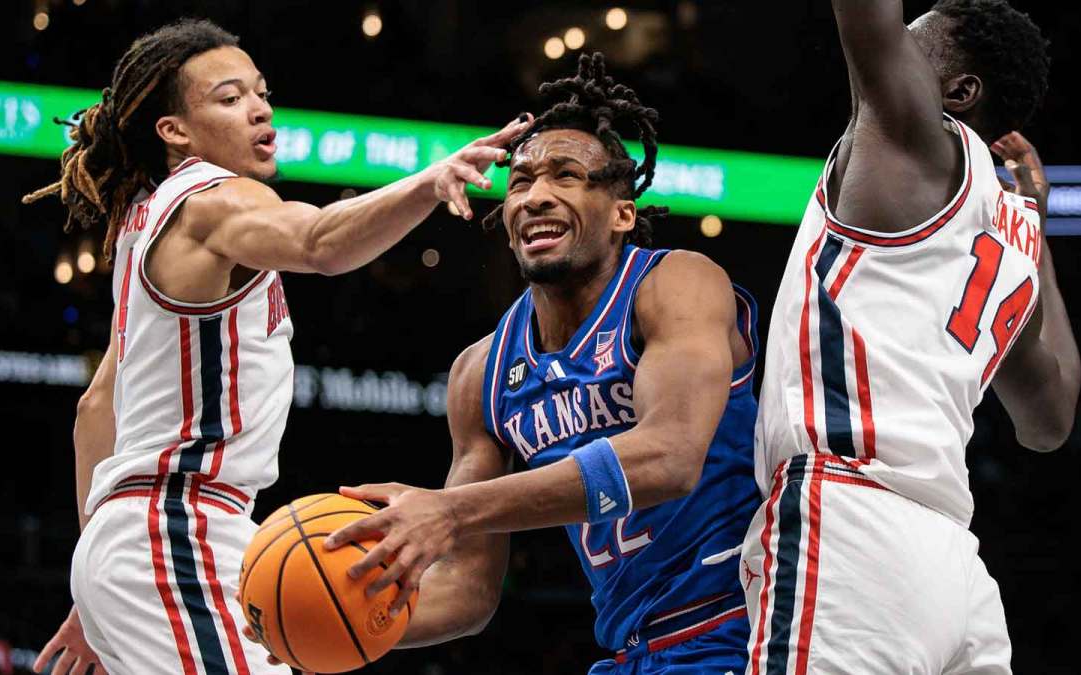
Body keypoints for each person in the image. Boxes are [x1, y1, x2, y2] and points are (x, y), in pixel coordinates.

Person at [22, 18, 528, 675]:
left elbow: (96, 410)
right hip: (178, 528)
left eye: (261, 93)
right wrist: (429, 182)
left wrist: (96, 582)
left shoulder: (145, 225)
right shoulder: (212, 201)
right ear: (174, 131)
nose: (259, 108)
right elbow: (318, 241)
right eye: (229, 98)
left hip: (145, 537)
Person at [319, 53, 763, 673]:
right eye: (521, 181)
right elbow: (468, 591)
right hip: (632, 650)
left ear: (622, 214)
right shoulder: (482, 373)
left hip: (748, 625)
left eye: (566, 176)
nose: (536, 195)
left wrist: (447, 509)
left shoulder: (674, 285)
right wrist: (329, 624)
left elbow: (669, 458)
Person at [741, 1, 1081, 673]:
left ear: (958, 92)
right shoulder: (1013, 235)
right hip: (956, 569)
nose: (884, 58)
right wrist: (1036, 226)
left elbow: (865, 18)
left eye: (910, 43)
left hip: (850, 520)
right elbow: (1050, 420)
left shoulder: (911, 141)